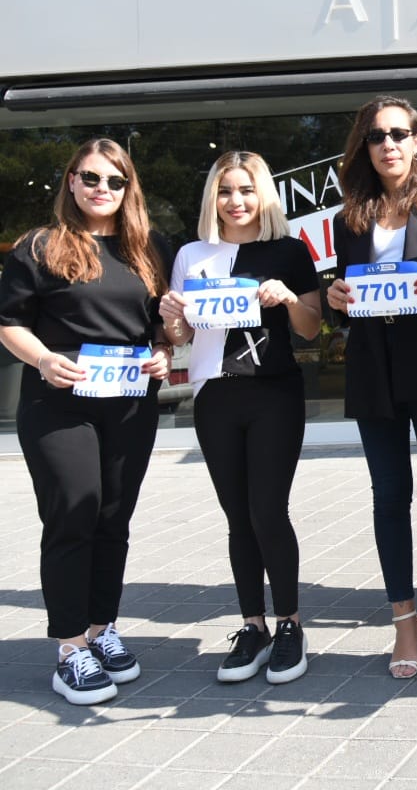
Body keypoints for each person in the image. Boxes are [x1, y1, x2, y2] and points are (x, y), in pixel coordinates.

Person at [0, 138, 172, 706]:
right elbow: (9, 323)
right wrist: (43, 360)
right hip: (59, 403)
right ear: (71, 180)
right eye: (91, 177)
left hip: (129, 403)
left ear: (129, 188)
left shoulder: (148, 248)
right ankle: (70, 648)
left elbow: (160, 324)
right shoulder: (38, 246)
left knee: (113, 519)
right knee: (73, 512)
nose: (103, 189)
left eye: (115, 181)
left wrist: (164, 352)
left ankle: (102, 629)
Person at [326, 96, 417, 683]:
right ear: (364, 148)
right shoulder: (349, 217)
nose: (387, 144)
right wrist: (335, 299)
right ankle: (405, 622)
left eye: (398, 134)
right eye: (376, 136)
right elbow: (344, 296)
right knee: (388, 497)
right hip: (372, 367)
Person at [158, 151, 321, 684]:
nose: (236, 201)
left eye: (246, 190)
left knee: (267, 511)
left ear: (263, 195)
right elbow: (181, 336)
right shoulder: (192, 255)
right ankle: (253, 626)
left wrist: (289, 298)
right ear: (213, 197)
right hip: (215, 397)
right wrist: (172, 318)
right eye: (226, 190)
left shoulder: (289, 251)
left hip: (274, 393)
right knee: (237, 516)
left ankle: (290, 624)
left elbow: (312, 327)